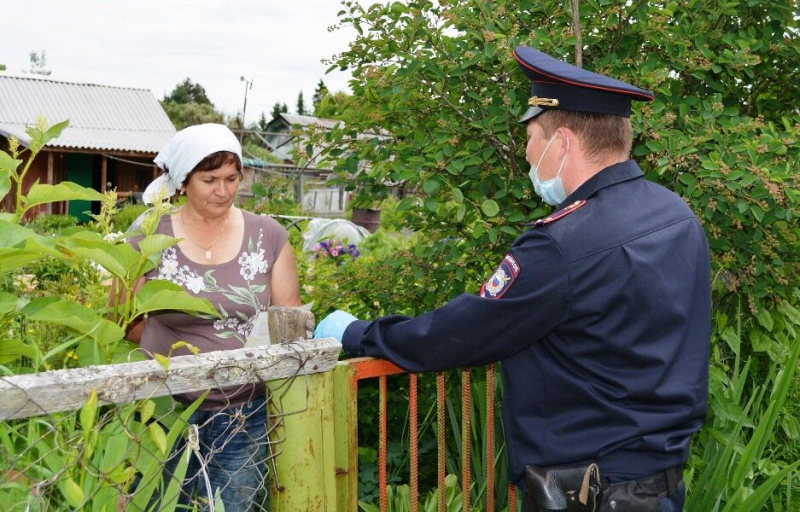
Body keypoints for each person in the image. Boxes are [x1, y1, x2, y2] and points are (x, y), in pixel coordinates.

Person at [316, 46, 710, 511]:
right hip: (660, 489)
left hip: (589, 495)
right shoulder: (676, 215)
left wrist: (358, 333)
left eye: (530, 137)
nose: (526, 151)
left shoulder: (561, 245)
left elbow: (459, 334)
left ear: (562, 143)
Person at [115, 123, 302, 510]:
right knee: (161, 503)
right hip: (164, 409)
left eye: (232, 178)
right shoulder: (150, 235)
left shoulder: (268, 236)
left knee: (233, 505)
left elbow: (290, 320)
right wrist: (178, 351)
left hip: (243, 411)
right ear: (183, 182)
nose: (223, 190)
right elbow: (122, 321)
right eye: (210, 179)